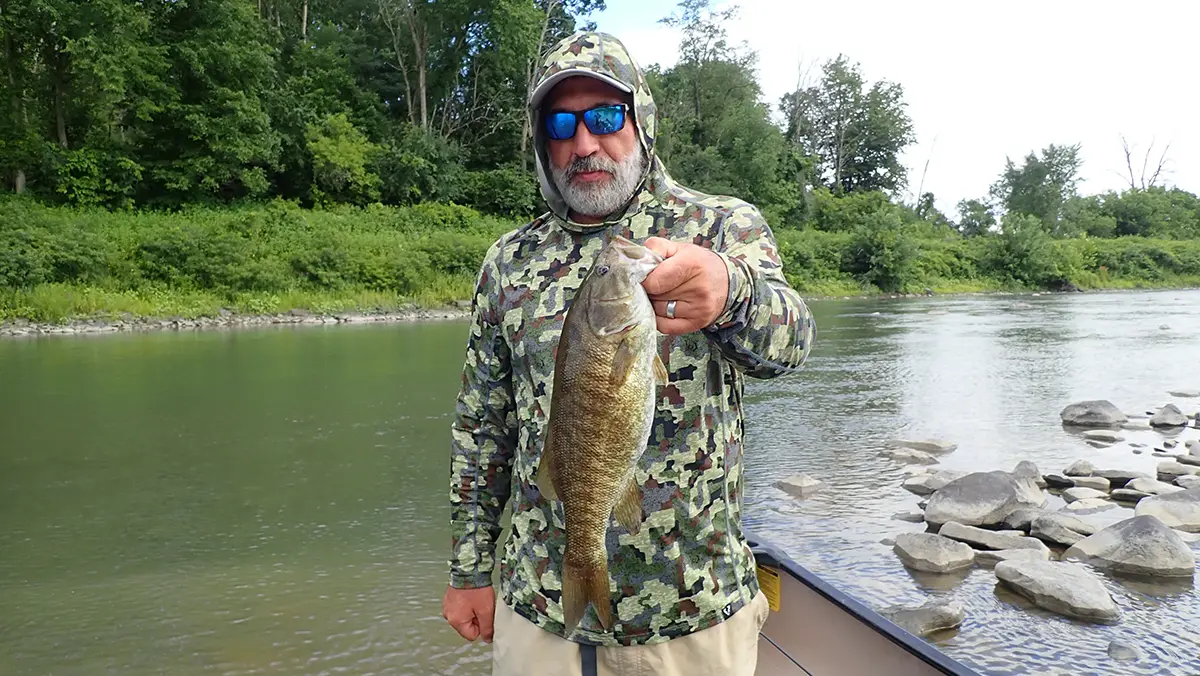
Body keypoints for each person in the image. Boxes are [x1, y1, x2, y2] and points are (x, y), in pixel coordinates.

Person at [442, 30, 815, 676]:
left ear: (641, 119)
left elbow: (792, 344)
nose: (584, 143)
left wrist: (733, 292)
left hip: (691, 617)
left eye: (605, 117)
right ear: (542, 140)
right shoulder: (510, 261)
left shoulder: (720, 227)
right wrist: (470, 568)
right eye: (561, 123)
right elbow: (482, 431)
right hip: (540, 613)